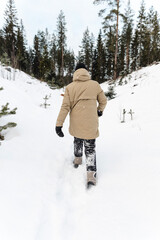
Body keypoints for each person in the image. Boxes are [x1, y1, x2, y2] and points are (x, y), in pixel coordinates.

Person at [55, 63, 107, 188]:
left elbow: (65, 107)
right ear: (86, 71)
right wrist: (99, 110)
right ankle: (91, 177)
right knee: (90, 148)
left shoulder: (70, 87)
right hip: (91, 122)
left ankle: (77, 160)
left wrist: (59, 124)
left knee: (77, 139)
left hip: (76, 122)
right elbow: (103, 101)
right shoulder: (95, 85)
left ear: (75, 72)